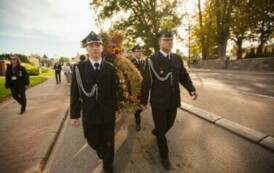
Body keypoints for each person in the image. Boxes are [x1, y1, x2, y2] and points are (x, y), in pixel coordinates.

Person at [140, 30, 198, 170]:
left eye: (171, 40)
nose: (169, 42)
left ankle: (158, 133)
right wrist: (143, 101)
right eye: (166, 40)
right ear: (159, 42)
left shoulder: (177, 58)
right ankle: (164, 156)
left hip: (173, 100)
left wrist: (191, 88)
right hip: (158, 101)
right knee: (161, 129)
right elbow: (147, 82)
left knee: (170, 123)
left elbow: (183, 75)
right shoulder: (152, 60)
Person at [70, 31, 117, 173]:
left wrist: (116, 107)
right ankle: (99, 150)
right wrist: (74, 115)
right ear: (87, 48)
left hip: (107, 113)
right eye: (91, 46)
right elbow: (74, 92)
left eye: (97, 45)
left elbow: (113, 91)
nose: (95, 48)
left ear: (102, 48)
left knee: (109, 143)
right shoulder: (79, 69)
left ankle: (108, 167)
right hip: (90, 113)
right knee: (92, 140)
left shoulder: (110, 68)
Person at [131, 45, 145, 131]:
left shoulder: (144, 62)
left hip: (143, 87)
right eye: (137, 51)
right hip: (135, 87)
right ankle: (138, 122)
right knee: (137, 105)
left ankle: (137, 113)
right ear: (133, 53)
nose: (139, 53)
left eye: (140, 51)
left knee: (143, 104)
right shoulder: (131, 62)